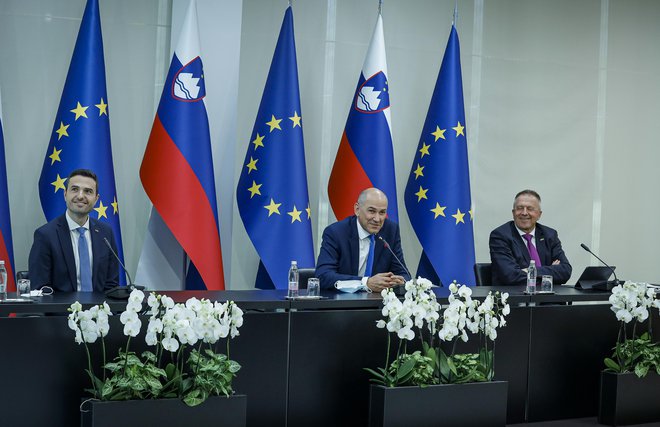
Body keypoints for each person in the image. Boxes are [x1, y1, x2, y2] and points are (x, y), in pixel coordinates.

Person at [28, 169, 119, 292]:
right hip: (61, 311)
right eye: (75, 189)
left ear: (96, 199)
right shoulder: (45, 235)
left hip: (100, 310)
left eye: (88, 191)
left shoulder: (105, 233)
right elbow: (40, 289)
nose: (81, 196)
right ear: (65, 194)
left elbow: (111, 285)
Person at [316, 187, 410, 291]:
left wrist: (399, 282)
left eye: (382, 212)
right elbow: (323, 276)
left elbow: (403, 273)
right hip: (343, 302)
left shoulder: (390, 230)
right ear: (357, 209)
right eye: (371, 211)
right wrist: (365, 283)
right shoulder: (336, 233)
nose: (377, 219)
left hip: (378, 303)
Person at [489, 189, 571, 285]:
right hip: (516, 297)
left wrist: (528, 271)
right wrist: (550, 273)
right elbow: (510, 275)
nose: (524, 213)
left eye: (530, 208)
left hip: (549, 298)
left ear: (539, 214)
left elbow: (565, 271)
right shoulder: (500, 236)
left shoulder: (549, 235)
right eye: (520, 208)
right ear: (513, 212)